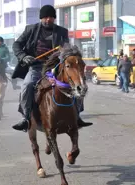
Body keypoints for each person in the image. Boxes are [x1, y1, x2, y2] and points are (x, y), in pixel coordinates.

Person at [11, 4, 93, 132]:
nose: (48, 19)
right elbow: (16, 45)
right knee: (27, 86)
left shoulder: (62, 31)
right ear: (41, 18)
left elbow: (68, 50)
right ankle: (26, 118)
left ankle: (77, 116)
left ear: (54, 18)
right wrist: (23, 56)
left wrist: (66, 51)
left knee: (78, 84)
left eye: (51, 17)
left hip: (55, 69)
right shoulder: (31, 30)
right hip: (36, 68)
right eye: (45, 17)